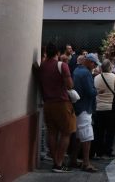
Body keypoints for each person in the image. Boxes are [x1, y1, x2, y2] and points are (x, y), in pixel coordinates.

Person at [38, 43, 77, 173]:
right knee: (67, 132)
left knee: (52, 133)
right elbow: (70, 85)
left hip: (48, 103)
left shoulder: (42, 66)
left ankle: (55, 161)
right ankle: (59, 163)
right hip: (62, 102)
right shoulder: (62, 65)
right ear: (57, 53)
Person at [71, 53, 101, 172]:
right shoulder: (86, 73)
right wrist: (98, 91)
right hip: (84, 107)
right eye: (93, 63)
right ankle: (86, 163)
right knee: (87, 137)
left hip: (77, 107)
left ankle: (73, 159)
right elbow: (90, 92)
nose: (94, 66)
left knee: (78, 136)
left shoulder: (77, 70)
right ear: (88, 61)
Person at [92, 59, 115, 160]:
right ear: (110, 67)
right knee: (110, 132)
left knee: (99, 131)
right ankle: (108, 151)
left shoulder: (96, 78)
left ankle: (99, 151)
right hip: (111, 108)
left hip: (99, 107)